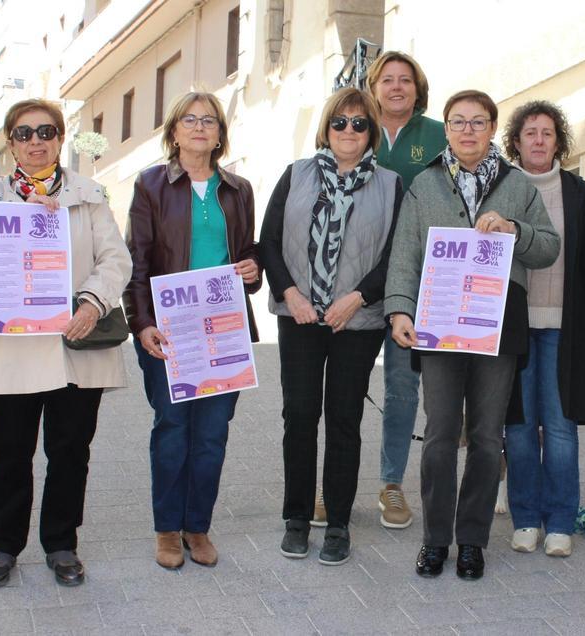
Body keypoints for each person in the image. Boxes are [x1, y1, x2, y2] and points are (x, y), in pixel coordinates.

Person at [386, 90, 560, 580]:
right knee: (440, 434)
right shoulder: (425, 184)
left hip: (497, 325)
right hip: (439, 323)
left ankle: (472, 541)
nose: (467, 130)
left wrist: (513, 230)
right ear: (446, 129)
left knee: (487, 436)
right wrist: (400, 311)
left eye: (477, 122)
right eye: (458, 122)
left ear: (491, 129)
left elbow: (548, 247)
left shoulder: (517, 184)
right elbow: (405, 254)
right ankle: (435, 539)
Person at [0, 99, 132, 588]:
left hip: (74, 345)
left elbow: (115, 260)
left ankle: (61, 544)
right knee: (9, 453)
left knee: (70, 451)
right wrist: (2, 218)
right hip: (13, 351)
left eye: (47, 131)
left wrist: (91, 305)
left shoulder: (89, 193)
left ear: (60, 138)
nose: (36, 141)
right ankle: (2, 546)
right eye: (24, 133)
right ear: (10, 142)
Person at [260, 88, 402, 565]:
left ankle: (338, 523)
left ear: (371, 132)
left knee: (344, 420)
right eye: (339, 122)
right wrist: (290, 294)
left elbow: (396, 256)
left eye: (359, 124)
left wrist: (358, 297)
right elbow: (269, 241)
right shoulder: (296, 174)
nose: (348, 131)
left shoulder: (391, 184)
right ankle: (297, 518)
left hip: (356, 321)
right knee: (299, 414)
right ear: (326, 127)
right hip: (299, 316)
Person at [124, 91, 261, 570]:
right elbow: (136, 261)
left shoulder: (238, 189)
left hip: (224, 328)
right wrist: (140, 323)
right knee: (173, 429)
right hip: (169, 329)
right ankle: (166, 527)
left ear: (221, 133)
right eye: (190, 119)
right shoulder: (150, 186)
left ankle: (197, 526)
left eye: (210, 120)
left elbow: (248, 252)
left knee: (212, 434)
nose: (200, 126)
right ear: (174, 130)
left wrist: (253, 268)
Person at [500, 101, 585, 558]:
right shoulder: (500, 191)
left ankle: (561, 520)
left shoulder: (582, 194)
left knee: (560, 427)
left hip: (566, 328)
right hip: (514, 329)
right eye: (530, 133)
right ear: (516, 143)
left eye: (546, 133)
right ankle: (525, 518)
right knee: (519, 427)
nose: (539, 140)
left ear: (558, 141)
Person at [364, 51, 448, 530]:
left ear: (418, 88)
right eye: (388, 80)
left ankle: (391, 483)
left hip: (417, 283)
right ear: (374, 87)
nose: (396, 87)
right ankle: (324, 484)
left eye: (406, 80)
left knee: (401, 387)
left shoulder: (439, 136)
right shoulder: (354, 126)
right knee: (341, 389)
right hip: (355, 283)